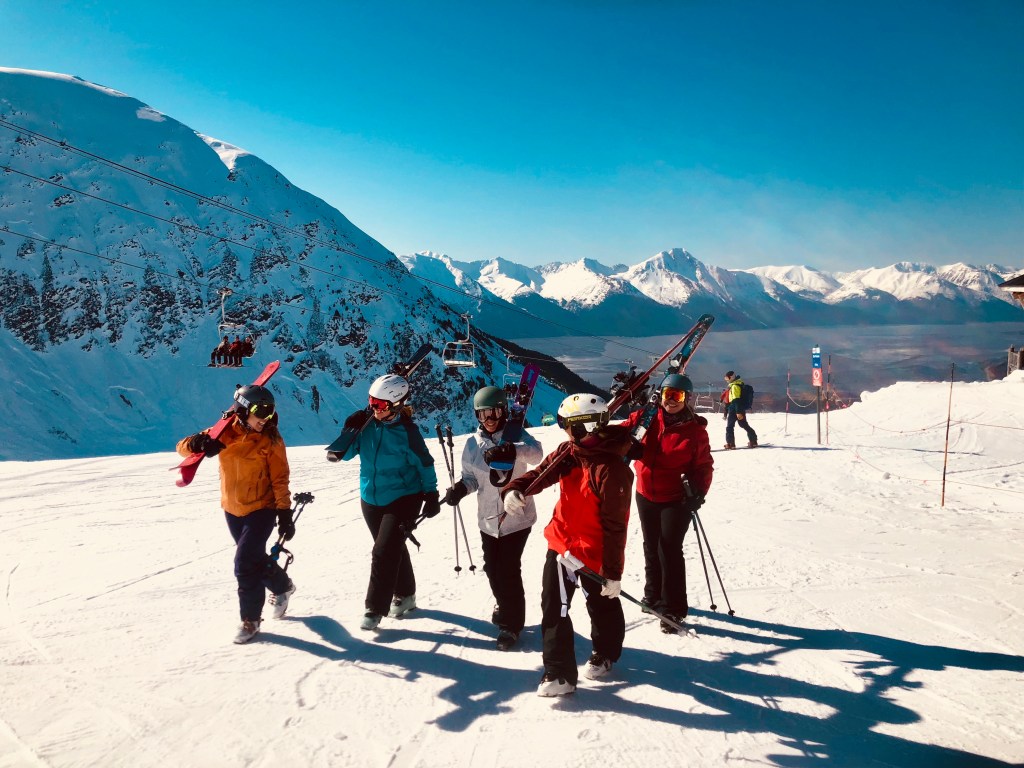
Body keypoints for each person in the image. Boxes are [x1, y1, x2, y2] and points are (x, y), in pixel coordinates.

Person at [501, 393, 635, 697]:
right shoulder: (569, 453)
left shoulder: (612, 470)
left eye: (571, 427)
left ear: (589, 426)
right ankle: (559, 673)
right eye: (564, 426)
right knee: (553, 606)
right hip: (562, 543)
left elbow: (616, 528)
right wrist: (515, 489)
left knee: (601, 603)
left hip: (594, 552)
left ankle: (606, 652)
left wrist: (613, 573)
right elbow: (540, 474)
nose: (566, 433)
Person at [175, 384, 296, 644]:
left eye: (270, 412)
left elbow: (280, 479)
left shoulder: (271, 439)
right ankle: (282, 586)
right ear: (242, 411)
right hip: (232, 509)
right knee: (254, 559)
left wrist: (284, 513)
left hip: (262, 508)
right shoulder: (223, 433)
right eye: (260, 412)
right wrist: (197, 443)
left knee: (243, 564)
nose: (266, 418)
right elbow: (181, 447)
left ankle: (250, 620)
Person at [335, 373, 440, 631]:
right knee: (392, 547)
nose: (374, 407)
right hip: (371, 498)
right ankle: (406, 596)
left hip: (405, 497)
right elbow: (344, 455)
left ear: (395, 405)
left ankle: (374, 608)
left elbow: (425, 464)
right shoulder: (367, 426)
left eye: (379, 404)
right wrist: (349, 430)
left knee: (383, 551)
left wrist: (431, 494)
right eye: (371, 401)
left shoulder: (408, 432)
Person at [441, 386, 543, 650]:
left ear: (503, 412)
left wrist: (514, 450)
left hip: (516, 517)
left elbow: (537, 454)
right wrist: (460, 489)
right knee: (491, 568)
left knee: (508, 570)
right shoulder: (472, 444)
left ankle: (512, 625)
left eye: (494, 413)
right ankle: (503, 602)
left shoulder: (516, 435)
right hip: (487, 520)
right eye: (483, 414)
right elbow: (471, 478)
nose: (489, 420)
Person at [621, 373, 713, 632]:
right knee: (651, 545)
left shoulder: (694, 431)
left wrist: (698, 491)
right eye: (667, 394)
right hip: (645, 493)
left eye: (677, 396)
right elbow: (620, 432)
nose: (671, 400)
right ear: (660, 395)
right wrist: (623, 443)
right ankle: (652, 595)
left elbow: (704, 465)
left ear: (687, 398)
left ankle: (673, 608)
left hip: (676, 499)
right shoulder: (646, 418)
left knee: (668, 549)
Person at [723, 370, 757, 449]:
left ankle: (730, 443)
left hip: (734, 409)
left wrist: (738, 412)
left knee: (729, 426)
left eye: (727, 378)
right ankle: (753, 440)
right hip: (739, 408)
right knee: (744, 425)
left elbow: (736, 400)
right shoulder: (737, 384)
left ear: (731, 377)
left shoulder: (735, 386)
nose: (726, 380)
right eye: (725, 378)